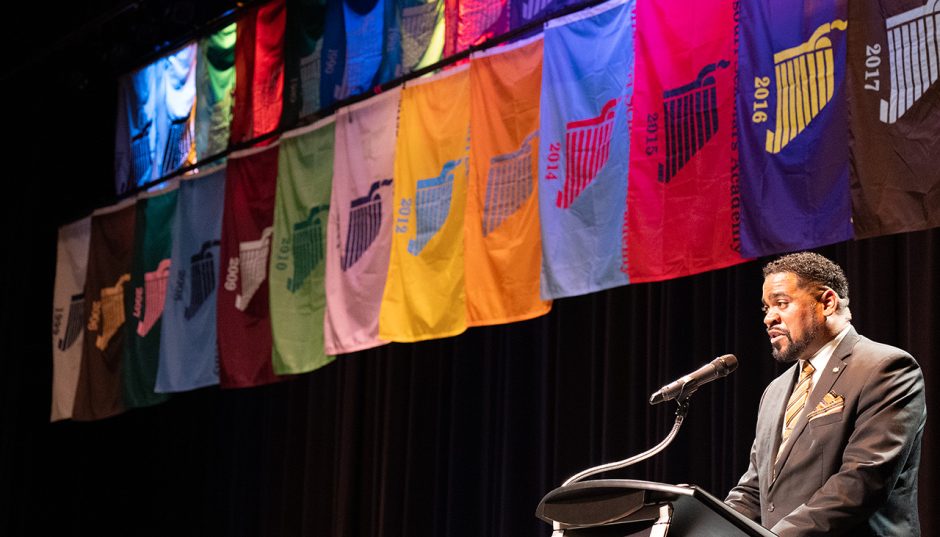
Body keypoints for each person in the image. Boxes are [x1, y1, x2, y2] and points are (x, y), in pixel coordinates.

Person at [725, 251, 926, 536]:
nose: (769, 318)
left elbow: (859, 483)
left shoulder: (885, 368)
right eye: (766, 308)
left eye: (781, 303)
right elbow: (754, 489)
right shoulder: (775, 390)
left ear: (827, 302)